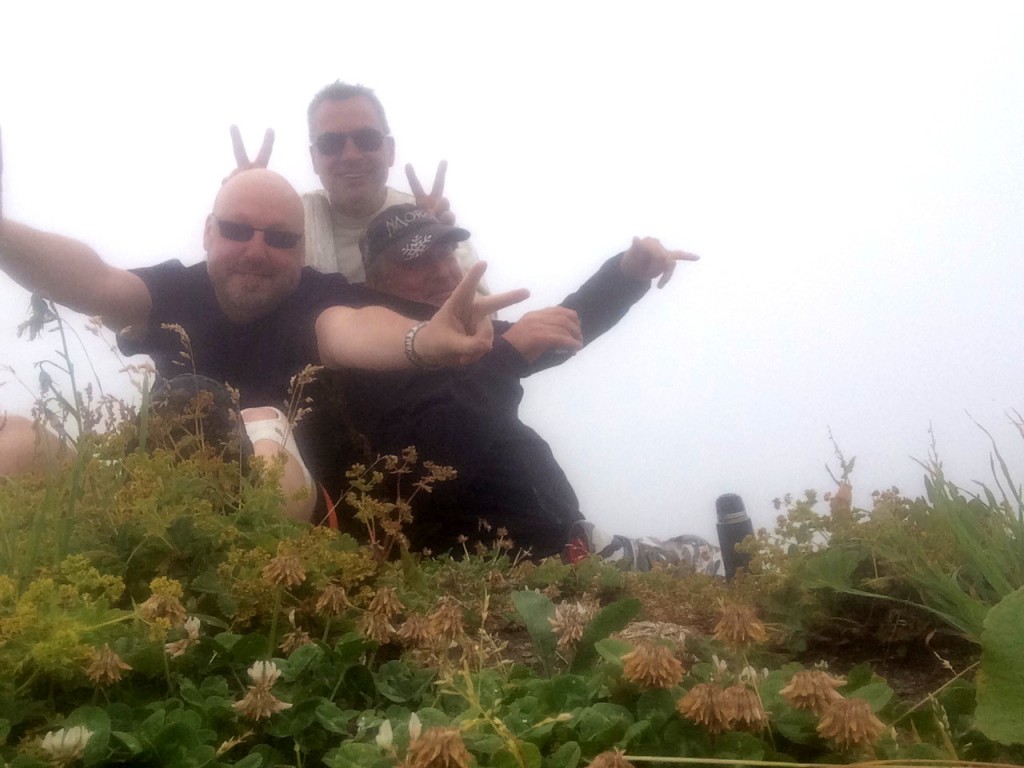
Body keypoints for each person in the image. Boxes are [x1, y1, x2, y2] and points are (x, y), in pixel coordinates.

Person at [0, 139, 526, 520]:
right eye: (236, 230)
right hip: (159, 502)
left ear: (301, 250)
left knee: (261, 427)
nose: (256, 250)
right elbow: (95, 282)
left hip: (297, 517)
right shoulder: (176, 291)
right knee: (13, 441)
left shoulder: (315, 299)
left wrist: (422, 341)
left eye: (279, 238)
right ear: (208, 233)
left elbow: (353, 329)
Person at [334, 204, 721, 572]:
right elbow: (428, 464)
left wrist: (628, 273)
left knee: (711, 555)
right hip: (500, 569)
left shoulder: (458, 334)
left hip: (564, 549)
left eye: (447, 253)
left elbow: (559, 329)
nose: (443, 271)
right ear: (376, 280)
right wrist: (505, 360)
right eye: (417, 261)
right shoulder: (373, 355)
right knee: (711, 565)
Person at [233, 81, 480, 283]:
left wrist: (440, 247)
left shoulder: (430, 219)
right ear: (314, 158)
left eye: (367, 139)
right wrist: (242, 206)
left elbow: (485, 315)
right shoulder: (286, 224)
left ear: (390, 150)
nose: (350, 155)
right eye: (331, 144)